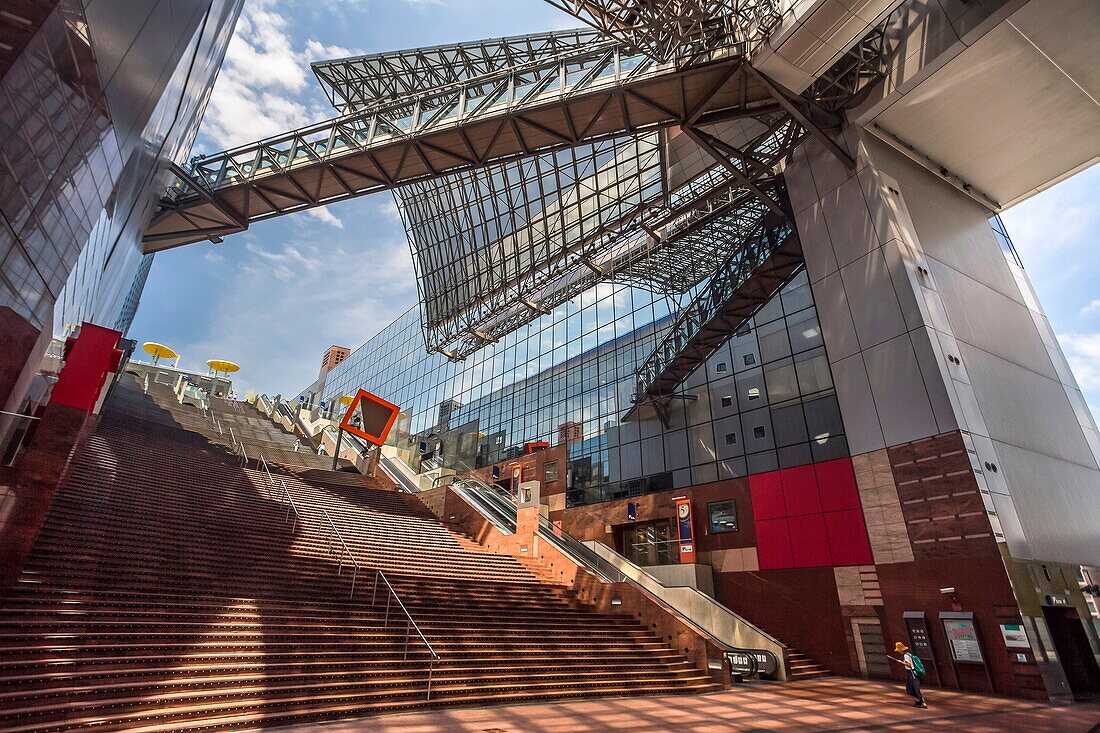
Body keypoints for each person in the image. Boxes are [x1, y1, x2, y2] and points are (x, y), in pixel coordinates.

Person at [889, 641, 927, 708]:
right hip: (913, 673)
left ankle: (921, 701)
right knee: (914, 688)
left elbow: (908, 664)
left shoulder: (906, 656)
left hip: (911, 673)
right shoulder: (909, 654)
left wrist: (901, 662)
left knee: (911, 689)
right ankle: (918, 701)